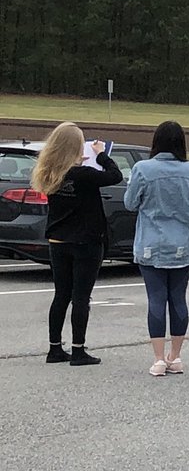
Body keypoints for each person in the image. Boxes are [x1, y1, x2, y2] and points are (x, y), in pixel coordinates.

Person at [31, 122, 123, 366]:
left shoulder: (50, 173)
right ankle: (78, 349)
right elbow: (115, 176)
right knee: (81, 296)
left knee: (61, 294)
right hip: (86, 240)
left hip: (58, 239)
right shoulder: (83, 175)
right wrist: (101, 154)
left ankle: (54, 348)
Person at [124, 121, 189, 377]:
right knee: (178, 299)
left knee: (156, 299)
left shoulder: (143, 169)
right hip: (183, 241)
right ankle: (176, 356)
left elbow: (130, 203)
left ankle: (158, 359)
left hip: (151, 242)